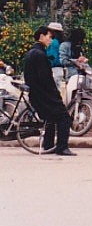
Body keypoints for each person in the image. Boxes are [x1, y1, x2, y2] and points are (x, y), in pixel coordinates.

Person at [23, 26, 75, 156]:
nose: (50, 40)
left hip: (36, 94)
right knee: (64, 118)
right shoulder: (40, 54)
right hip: (45, 95)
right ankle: (62, 147)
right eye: (49, 37)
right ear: (41, 36)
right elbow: (46, 79)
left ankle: (48, 145)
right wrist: (55, 95)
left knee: (50, 119)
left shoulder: (31, 53)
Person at [46, 22, 64, 91]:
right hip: (59, 69)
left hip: (54, 70)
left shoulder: (54, 42)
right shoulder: (61, 41)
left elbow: (52, 56)